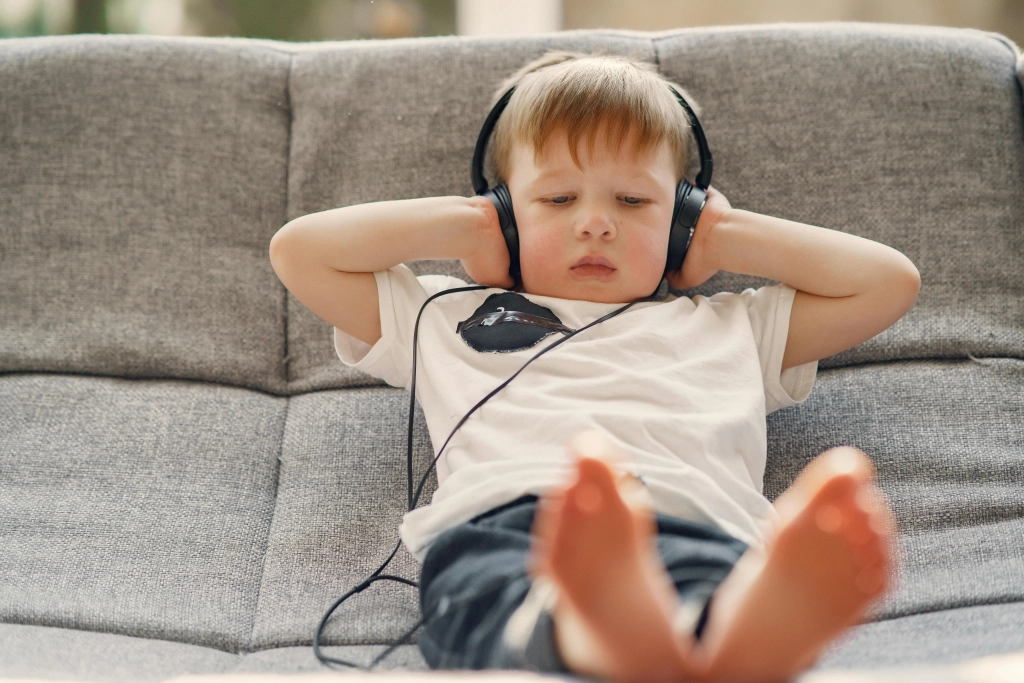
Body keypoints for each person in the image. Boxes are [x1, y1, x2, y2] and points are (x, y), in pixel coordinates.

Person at [268, 51, 920, 683]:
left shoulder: (732, 325)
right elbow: (299, 252)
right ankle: (616, 627)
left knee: (702, 587)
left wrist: (722, 236)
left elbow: (888, 282)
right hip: (505, 524)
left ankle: (715, 628)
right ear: (506, 214)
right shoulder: (442, 312)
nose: (596, 224)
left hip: (699, 519)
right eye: (556, 199)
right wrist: (466, 227)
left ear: (681, 217)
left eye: (635, 202)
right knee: (507, 600)